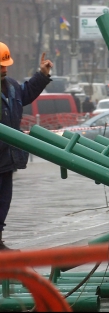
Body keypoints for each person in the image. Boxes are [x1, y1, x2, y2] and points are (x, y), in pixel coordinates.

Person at [0, 45, 54, 251]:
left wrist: (42, 74)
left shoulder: (11, 86)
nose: (4, 70)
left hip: (7, 157)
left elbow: (26, 93)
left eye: (5, 65)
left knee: (3, 202)